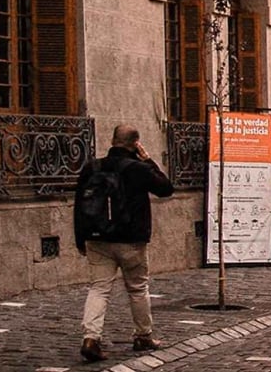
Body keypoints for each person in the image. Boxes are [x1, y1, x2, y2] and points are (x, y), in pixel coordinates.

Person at [74, 124, 175, 363]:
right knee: (138, 288)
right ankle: (143, 336)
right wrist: (148, 159)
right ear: (135, 144)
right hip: (131, 240)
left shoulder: (92, 167)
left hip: (97, 238)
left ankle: (91, 338)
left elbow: (78, 206)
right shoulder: (138, 169)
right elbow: (166, 188)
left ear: (112, 140)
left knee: (99, 288)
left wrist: (81, 238)